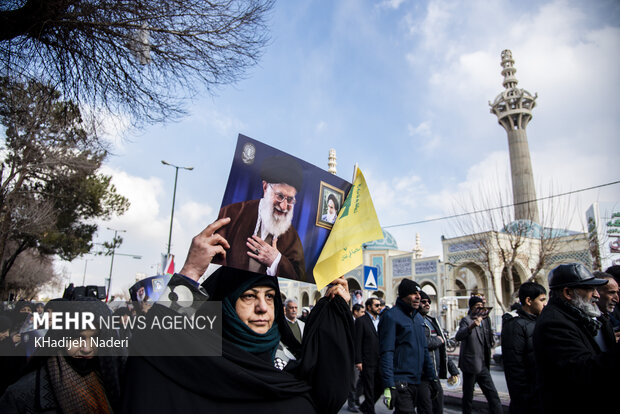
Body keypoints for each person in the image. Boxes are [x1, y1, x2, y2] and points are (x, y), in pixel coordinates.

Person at [122, 218, 354, 414]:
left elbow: (330, 390)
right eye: (249, 296)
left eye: (270, 297)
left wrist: (335, 307)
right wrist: (191, 271)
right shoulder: (196, 365)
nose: (263, 307)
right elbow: (149, 356)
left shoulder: (291, 368)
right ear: (227, 305)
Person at [0, 298, 125, 413]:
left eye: (95, 338)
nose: (87, 349)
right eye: (78, 338)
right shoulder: (22, 394)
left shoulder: (113, 383)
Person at [533, 263, 620, 413]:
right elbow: (583, 372)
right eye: (590, 289)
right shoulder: (553, 323)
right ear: (568, 292)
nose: (596, 295)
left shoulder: (588, 316)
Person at [213, 155, 306, 281]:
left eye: (289, 199)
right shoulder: (231, 214)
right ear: (265, 187)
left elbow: (298, 277)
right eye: (279, 196)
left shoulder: (292, 237)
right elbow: (214, 259)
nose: (284, 206)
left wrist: (276, 261)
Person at [379, 279, 437, 414]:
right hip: (402, 382)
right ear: (403, 295)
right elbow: (387, 351)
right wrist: (389, 385)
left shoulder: (418, 319)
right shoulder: (391, 316)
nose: (418, 297)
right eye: (413, 293)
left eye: (419, 293)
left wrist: (432, 377)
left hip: (421, 380)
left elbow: (424, 350)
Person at [500, 282, 546, 414]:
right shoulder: (515, 325)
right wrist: (525, 400)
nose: (545, 304)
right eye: (541, 300)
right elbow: (515, 368)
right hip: (527, 402)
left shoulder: (537, 321)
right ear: (528, 301)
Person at [455, 295, 502, 414]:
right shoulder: (466, 320)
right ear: (471, 308)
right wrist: (472, 326)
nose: (480, 309)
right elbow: (459, 336)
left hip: (483, 365)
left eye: (482, 306)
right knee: (468, 397)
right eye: (477, 306)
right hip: (471, 366)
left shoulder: (485, 321)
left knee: (493, 396)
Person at [416, 291, 459, 414]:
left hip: (434, 375)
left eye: (429, 302)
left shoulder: (432, 320)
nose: (427, 304)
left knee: (437, 408)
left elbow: (442, 349)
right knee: (425, 409)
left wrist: (452, 369)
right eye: (423, 302)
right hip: (422, 375)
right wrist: (438, 340)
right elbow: (422, 343)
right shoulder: (415, 321)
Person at [355, 297, 383, 414]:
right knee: (369, 389)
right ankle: (370, 411)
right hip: (367, 360)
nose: (379, 307)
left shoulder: (381, 320)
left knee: (381, 385)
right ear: (369, 307)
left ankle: (365, 406)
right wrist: (358, 360)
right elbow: (357, 342)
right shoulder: (361, 321)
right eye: (376, 305)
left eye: (380, 305)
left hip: (380, 360)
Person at [593, 272, 619, 350]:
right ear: (595, 293)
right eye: (611, 292)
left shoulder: (605, 317)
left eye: (617, 292)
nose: (617, 299)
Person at [348, 304, 365, 412]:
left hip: (361, 356)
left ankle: (356, 399)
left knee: (360, 381)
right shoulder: (350, 322)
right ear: (355, 312)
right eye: (361, 312)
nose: (363, 314)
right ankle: (351, 403)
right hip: (352, 357)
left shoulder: (362, 322)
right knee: (353, 381)